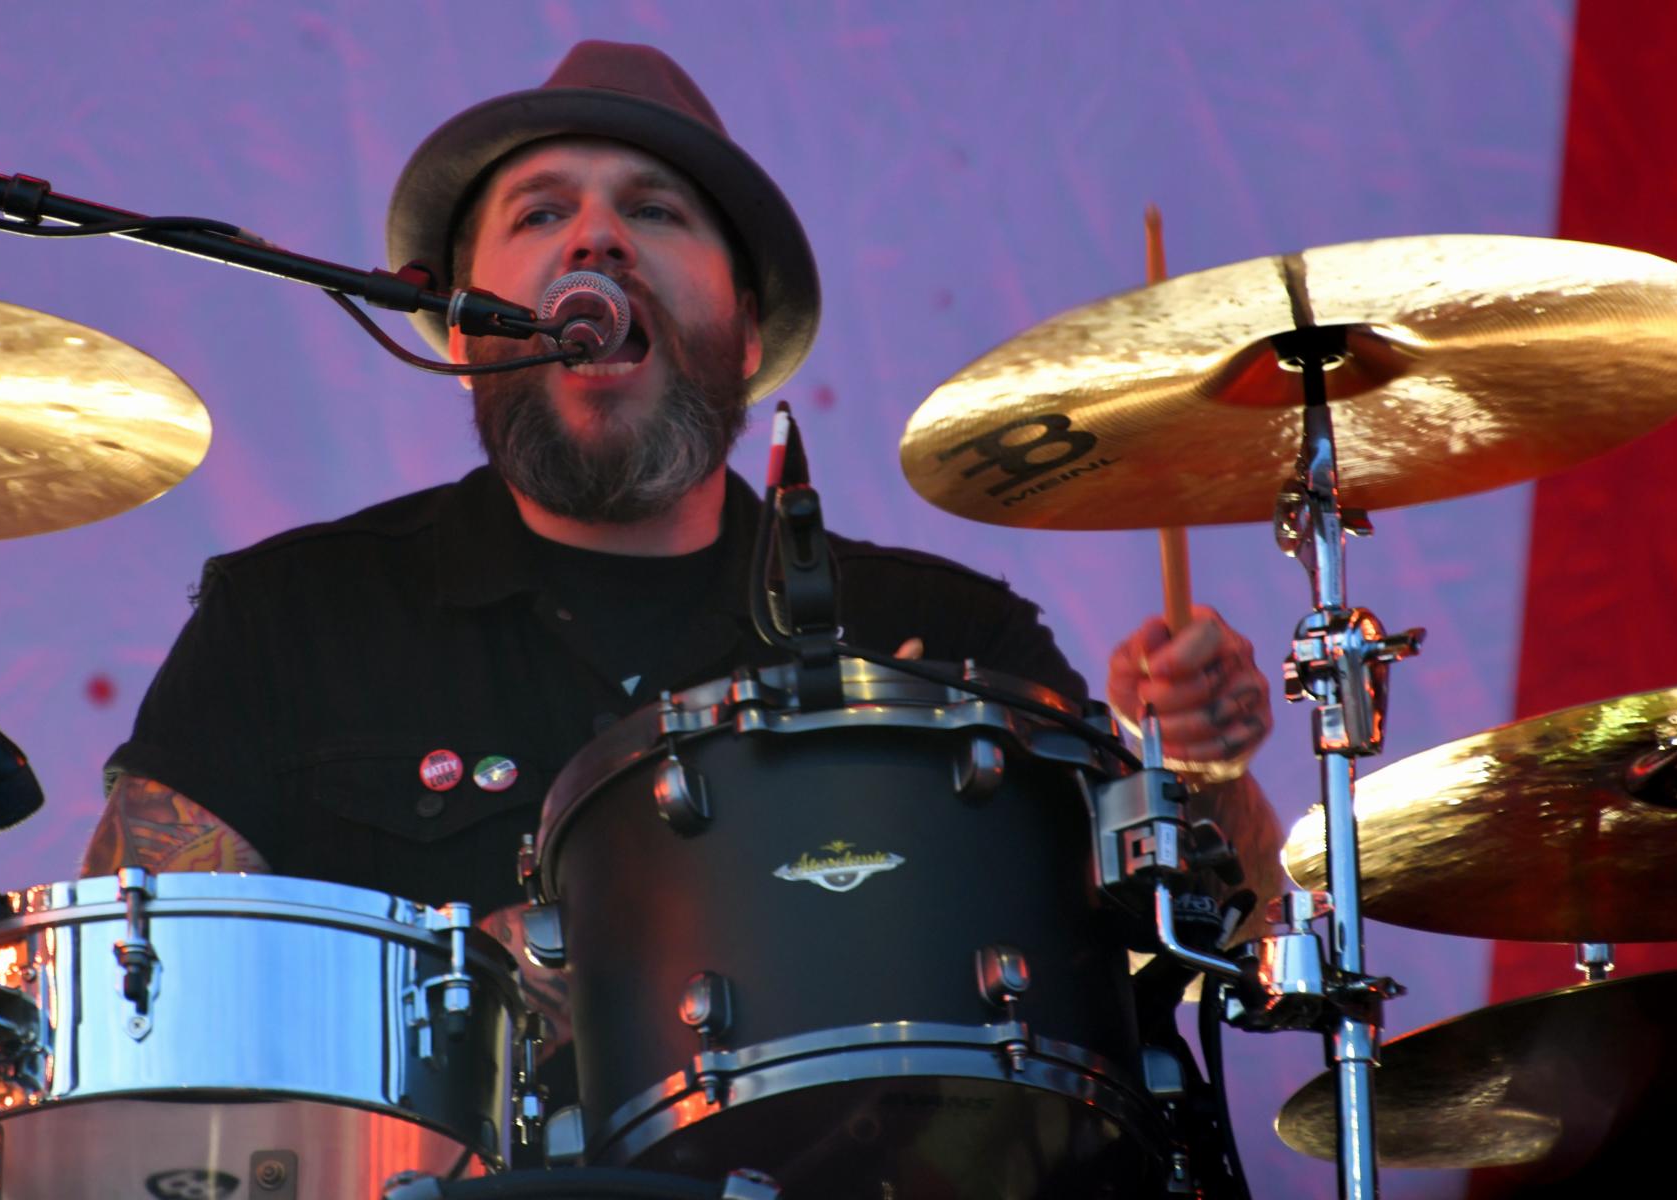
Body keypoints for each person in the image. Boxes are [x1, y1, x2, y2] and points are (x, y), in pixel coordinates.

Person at [83, 37, 1283, 1098]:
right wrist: (479, 984)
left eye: (654, 211)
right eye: (539, 214)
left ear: (746, 330)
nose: (596, 238)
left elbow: (1226, 940)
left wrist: (1201, 763)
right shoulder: (293, 619)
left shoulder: (943, 632)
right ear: (464, 325)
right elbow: (129, 1016)